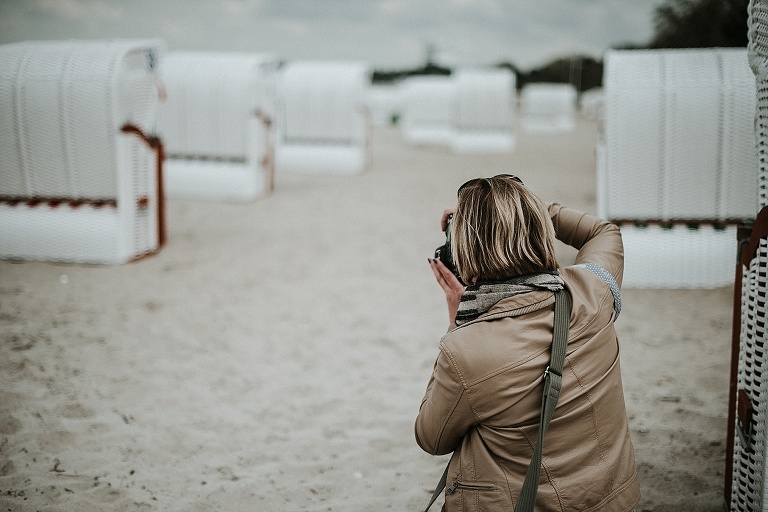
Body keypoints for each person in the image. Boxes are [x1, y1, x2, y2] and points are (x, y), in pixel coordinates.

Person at [417, 175, 640, 511]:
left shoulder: (466, 350)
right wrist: (520, 211)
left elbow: (431, 438)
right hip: (611, 500)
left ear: (468, 259)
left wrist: (457, 324)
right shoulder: (594, 290)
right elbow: (602, 232)